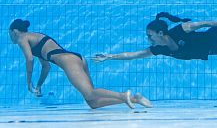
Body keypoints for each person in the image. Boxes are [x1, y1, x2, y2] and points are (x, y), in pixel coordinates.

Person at [9, 19, 152, 109]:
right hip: (76, 58)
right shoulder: (35, 37)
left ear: (14, 31)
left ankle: (123, 95)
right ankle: (134, 98)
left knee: (90, 93)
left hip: (68, 60)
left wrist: (29, 83)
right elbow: (46, 66)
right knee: (92, 102)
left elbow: (29, 59)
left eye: (9, 33)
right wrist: (39, 85)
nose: (10, 37)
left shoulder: (23, 38)